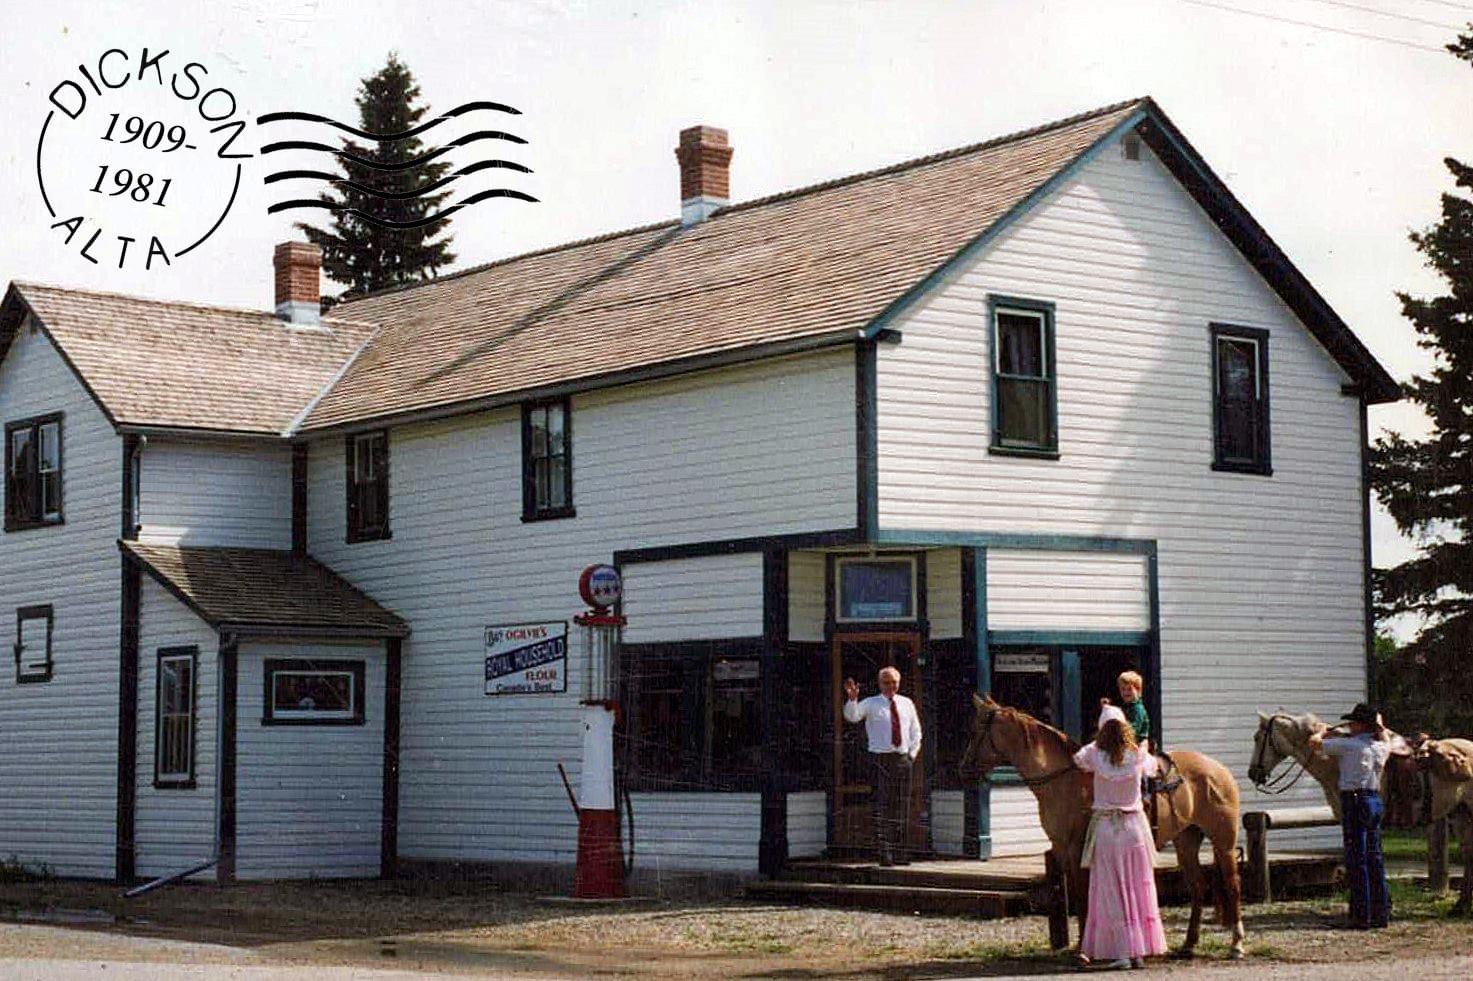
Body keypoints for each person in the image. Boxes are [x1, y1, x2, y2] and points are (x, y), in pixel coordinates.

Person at [1073, 704, 1168, 970]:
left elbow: (1077, 760)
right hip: (1134, 827)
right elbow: (1155, 769)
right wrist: (1142, 747)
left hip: (1106, 826)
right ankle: (1137, 950)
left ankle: (1121, 950)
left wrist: (1098, 741)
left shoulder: (1094, 754)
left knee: (1110, 889)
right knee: (1137, 886)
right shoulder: (1138, 756)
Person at [1308, 703, 1392, 929]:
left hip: (1354, 801)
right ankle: (1380, 913)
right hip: (1373, 799)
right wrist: (1380, 726)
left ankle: (1361, 915)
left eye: (1353, 722)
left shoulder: (1348, 745)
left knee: (1357, 859)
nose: (1350, 725)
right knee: (1374, 857)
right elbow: (1386, 739)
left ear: (1361, 725)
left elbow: (1314, 744)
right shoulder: (1381, 747)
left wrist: (1322, 731)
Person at [842, 666, 922, 866]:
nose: (891, 686)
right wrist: (852, 699)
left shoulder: (907, 703)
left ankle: (901, 852)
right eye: (886, 682)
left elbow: (916, 733)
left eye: (894, 682)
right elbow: (852, 716)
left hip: (902, 760)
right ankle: (884, 853)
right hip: (880, 761)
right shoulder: (870, 703)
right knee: (882, 807)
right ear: (880, 683)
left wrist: (911, 756)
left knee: (902, 806)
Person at [1117, 670, 1150, 753]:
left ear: (1138, 690)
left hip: (1137, 743)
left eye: (1129, 689)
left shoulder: (1138, 709)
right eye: (1123, 689)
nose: (1126, 692)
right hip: (1127, 741)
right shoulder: (1124, 707)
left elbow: (1134, 730)